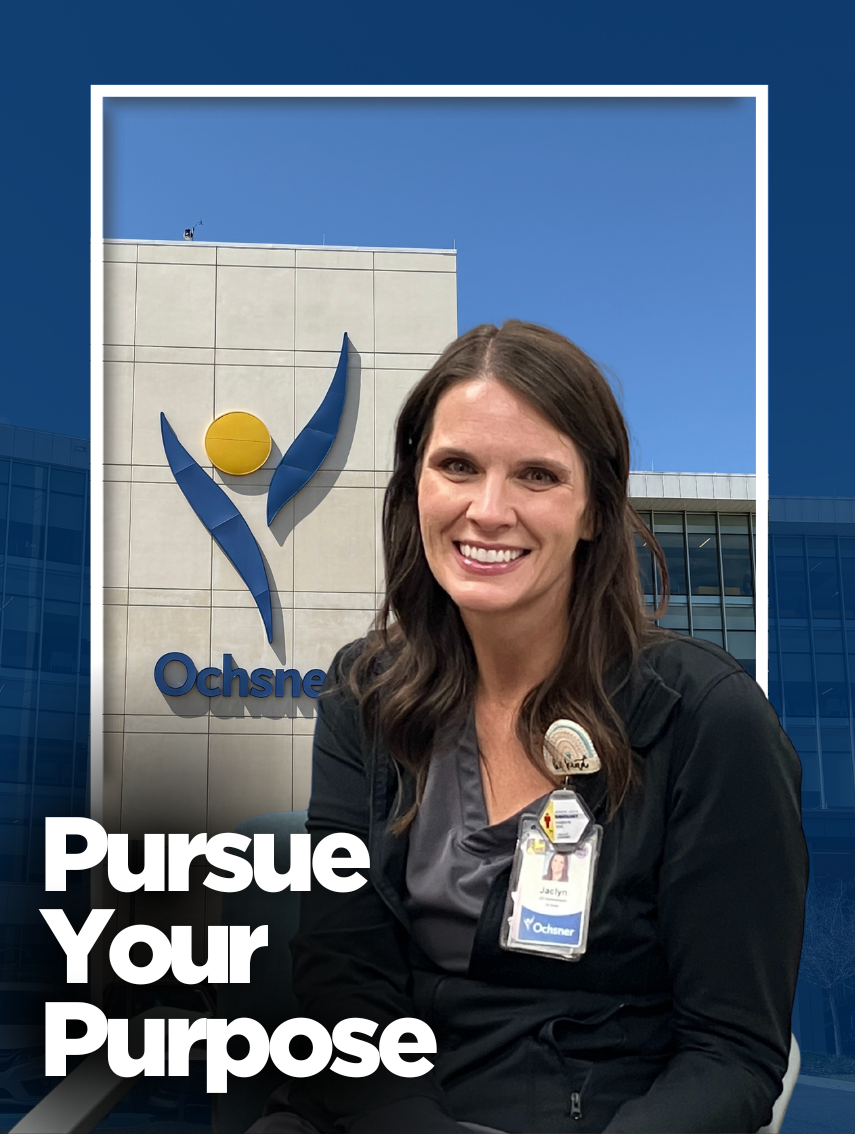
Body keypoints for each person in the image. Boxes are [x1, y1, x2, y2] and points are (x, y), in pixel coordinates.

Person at [252, 321, 808, 1134]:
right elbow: (345, 971)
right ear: (417, 486)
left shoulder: (707, 721)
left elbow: (730, 1051)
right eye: (456, 467)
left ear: (592, 512)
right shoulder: (363, 696)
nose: (488, 510)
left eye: (537, 475)